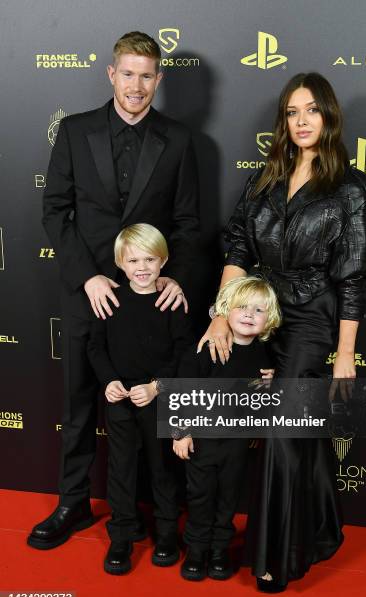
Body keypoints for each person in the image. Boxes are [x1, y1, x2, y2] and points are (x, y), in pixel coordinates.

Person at [198, 72, 366, 592]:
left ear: (329, 116)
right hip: (262, 314)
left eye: (311, 111)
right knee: (303, 432)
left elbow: (353, 277)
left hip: (314, 321)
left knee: (281, 429)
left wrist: (345, 352)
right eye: (292, 112)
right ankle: (319, 529)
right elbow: (237, 245)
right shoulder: (266, 177)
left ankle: (276, 557)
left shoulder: (353, 188)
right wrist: (219, 312)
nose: (301, 122)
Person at [28, 31, 199, 557]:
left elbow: (189, 224)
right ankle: (73, 501)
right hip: (89, 292)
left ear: (159, 79)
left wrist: (175, 277)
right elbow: (56, 210)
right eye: (128, 73)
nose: (136, 85)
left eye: (147, 75)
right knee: (81, 400)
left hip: (149, 299)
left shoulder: (180, 139)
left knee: (150, 407)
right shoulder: (76, 131)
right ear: (111, 74)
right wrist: (88, 277)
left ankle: (150, 515)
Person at [87, 224, 194, 574]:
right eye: (133, 260)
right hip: (120, 398)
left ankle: (166, 533)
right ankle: (121, 536)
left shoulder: (171, 302)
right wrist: (109, 382)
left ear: (163, 261)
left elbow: (183, 353)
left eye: (150, 258)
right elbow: (96, 347)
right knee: (121, 469)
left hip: (158, 396)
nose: (142, 267)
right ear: (120, 262)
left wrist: (156, 387)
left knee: (162, 467)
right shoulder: (111, 300)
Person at [173, 276, 280, 581]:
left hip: (237, 444)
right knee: (200, 497)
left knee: (229, 498)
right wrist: (180, 432)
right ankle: (196, 551)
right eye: (242, 307)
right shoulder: (208, 348)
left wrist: (270, 388)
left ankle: (220, 550)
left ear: (269, 319)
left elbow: (261, 403)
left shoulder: (265, 358)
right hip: (202, 442)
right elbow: (181, 391)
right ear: (225, 310)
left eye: (258, 310)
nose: (249, 314)